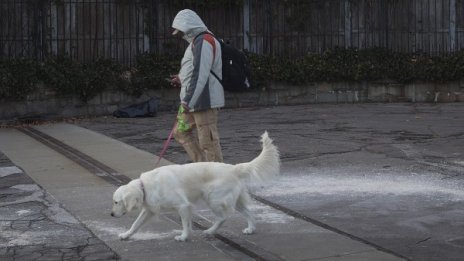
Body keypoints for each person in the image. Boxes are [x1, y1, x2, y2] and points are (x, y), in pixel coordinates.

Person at [170, 9, 224, 163]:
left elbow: (201, 72)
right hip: (194, 100)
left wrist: (188, 100)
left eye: (181, 31)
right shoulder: (197, 41)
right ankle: (202, 167)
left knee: (209, 143)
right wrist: (181, 78)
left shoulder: (204, 40)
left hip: (203, 101)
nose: (180, 35)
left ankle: (218, 179)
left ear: (188, 26)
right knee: (180, 132)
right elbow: (194, 69)